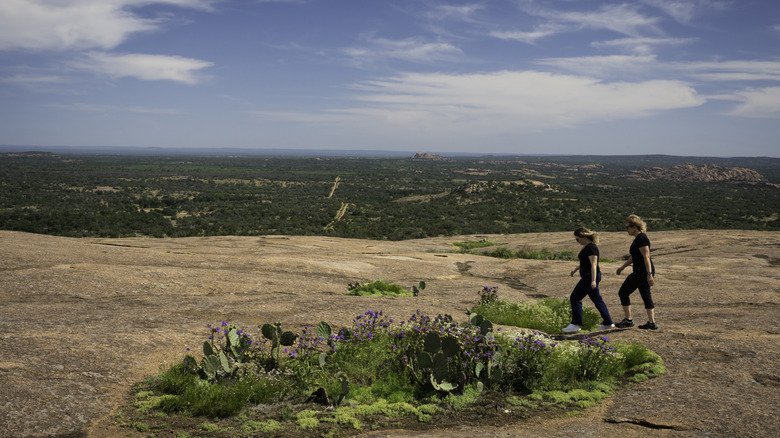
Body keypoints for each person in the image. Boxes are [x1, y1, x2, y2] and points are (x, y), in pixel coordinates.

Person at [562, 227, 614, 333]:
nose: (577, 241)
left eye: (577, 239)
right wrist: (576, 269)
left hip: (589, 277)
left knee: (575, 298)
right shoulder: (586, 246)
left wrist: (593, 280)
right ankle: (608, 322)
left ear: (583, 236)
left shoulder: (591, 248)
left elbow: (593, 264)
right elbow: (584, 262)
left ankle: (575, 324)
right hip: (588, 276)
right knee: (597, 299)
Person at [615, 214, 658, 330]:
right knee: (645, 294)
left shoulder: (641, 238)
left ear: (635, 226)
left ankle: (628, 320)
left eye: (627, 227)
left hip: (642, 271)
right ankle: (651, 323)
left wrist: (649, 275)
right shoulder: (638, 239)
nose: (626, 229)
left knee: (623, 292)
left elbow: (646, 257)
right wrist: (623, 267)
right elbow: (634, 257)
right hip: (642, 270)